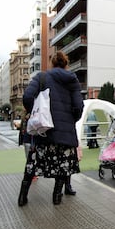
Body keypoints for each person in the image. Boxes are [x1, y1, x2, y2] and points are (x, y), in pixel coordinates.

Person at [19, 51, 84, 206]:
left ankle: (22, 197)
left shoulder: (42, 77)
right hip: (65, 133)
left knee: (33, 164)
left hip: (43, 130)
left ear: (52, 63)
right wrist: (70, 120)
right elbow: (79, 106)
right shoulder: (72, 79)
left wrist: (35, 113)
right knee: (63, 165)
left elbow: (27, 97)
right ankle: (56, 197)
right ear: (66, 64)